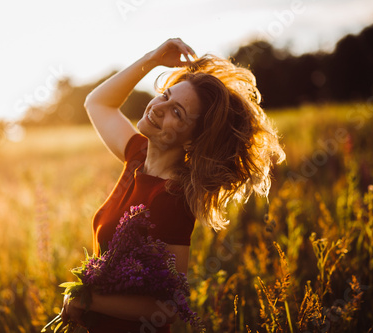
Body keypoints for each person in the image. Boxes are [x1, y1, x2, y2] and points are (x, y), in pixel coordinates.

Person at [61, 38, 285, 332]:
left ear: (192, 139)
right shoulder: (137, 156)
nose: (158, 108)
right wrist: (151, 59)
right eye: (165, 95)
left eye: (177, 112)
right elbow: (97, 103)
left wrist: (88, 301)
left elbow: (166, 306)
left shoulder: (171, 200)